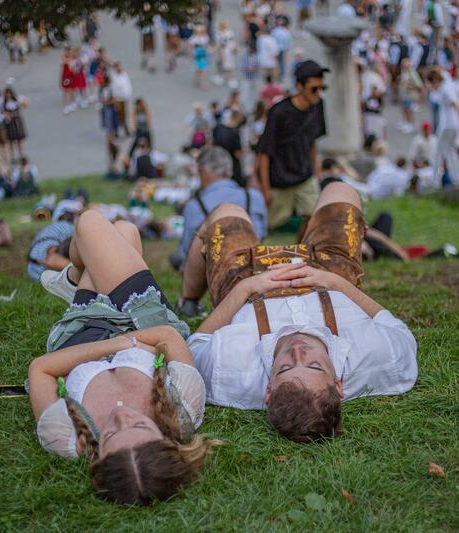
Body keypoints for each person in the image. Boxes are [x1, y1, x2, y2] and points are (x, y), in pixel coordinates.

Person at [183, 181, 417, 442]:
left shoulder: (230, 371)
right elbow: (397, 330)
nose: (298, 350)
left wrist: (247, 288)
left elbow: (195, 345)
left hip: (248, 283)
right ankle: (310, 233)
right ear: (339, 386)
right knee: (340, 191)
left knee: (225, 211)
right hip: (329, 276)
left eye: (284, 367)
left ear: (268, 391)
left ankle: (188, 299)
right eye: (314, 364)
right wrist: (333, 282)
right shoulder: (385, 360)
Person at [29, 211, 217, 505]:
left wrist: (117, 344)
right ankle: (76, 278)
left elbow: (41, 369)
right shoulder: (182, 407)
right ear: (167, 440)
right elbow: (167, 336)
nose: (121, 417)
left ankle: (77, 278)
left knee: (98, 225)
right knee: (121, 230)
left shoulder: (66, 437)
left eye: (112, 433)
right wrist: (127, 339)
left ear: (98, 456)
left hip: (83, 328)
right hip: (142, 316)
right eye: (140, 426)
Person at [174, 145, 267, 289]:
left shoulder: (194, 206)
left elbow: (186, 251)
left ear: (202, 172)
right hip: (254, 269)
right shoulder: (254, 197)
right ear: (228, 169)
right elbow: (262, 235)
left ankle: (187, 301)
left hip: (215, 275)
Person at [257, 60, 327, 230]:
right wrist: (265, 188)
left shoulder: (318, 107)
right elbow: (263, 152)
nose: (318, 94)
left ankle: (301, 253)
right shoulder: (279, 112)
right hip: (279, 180)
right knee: (269, 226)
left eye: (322, 88)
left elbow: (313, 143)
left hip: (305, 177)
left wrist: (317, 174)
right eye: (314, 89)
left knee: (316, 219)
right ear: (300, 86)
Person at [426, 67, 459, 187]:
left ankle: (435, 181)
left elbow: (456, 105)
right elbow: (442, 72)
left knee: (438, 152)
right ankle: (458, 179)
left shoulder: (445, 89)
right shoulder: (446, 83)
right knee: (450, 152)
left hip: (447, 124)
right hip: (452, 125)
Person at [27, 200, 80, 281]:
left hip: (35, 269)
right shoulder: (66, 226)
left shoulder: (55, 228)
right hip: (45, 262)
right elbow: (51, 258)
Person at [212, 109, 246, 185]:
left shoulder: (218, 127)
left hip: (218, 165)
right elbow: (237, 154)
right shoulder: (234, 132)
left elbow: (212, 144)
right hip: (232, 167)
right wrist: (245, 151)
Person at [3, 87, 29, 163]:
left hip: (17, 121)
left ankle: (21, 155)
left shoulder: (17, 100)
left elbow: (26, 104)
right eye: (6, 94)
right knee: (11, 141)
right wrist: (6, 115)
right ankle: (13, 156)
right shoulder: (4, 102)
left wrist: (22, 103)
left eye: (9, 93)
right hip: (9, 123)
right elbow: (1, 110)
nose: (7, 95)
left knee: (19, 140)